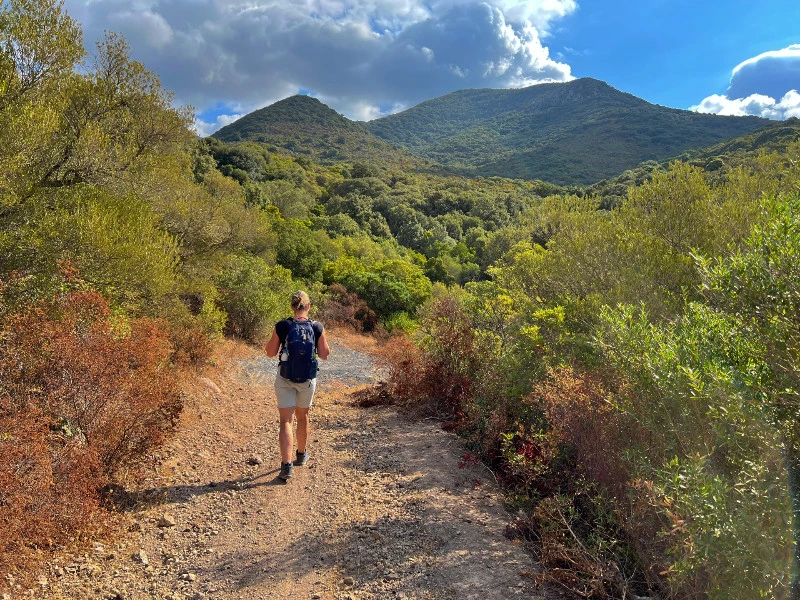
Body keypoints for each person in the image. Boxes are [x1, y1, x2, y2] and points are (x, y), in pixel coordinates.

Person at [265, 291, 330, 481]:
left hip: (285, 378)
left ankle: (286, 466)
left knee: (286, 420)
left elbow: (270, 353)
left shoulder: (283, 326)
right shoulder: (317, 327)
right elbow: (325, 355)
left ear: (292, 306)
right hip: (307, 380)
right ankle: (301, 455)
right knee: (303, 417)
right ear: (308, 306)